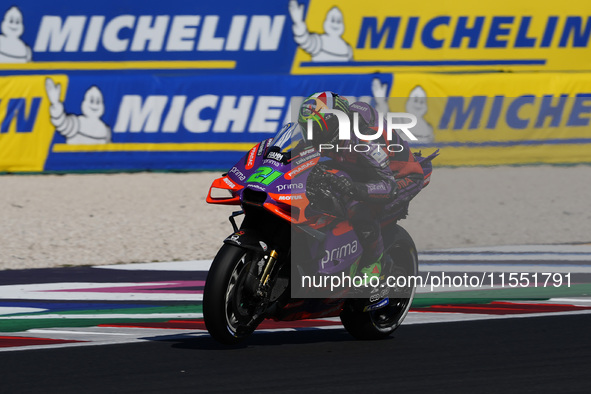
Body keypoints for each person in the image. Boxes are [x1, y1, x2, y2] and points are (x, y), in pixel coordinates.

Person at [298, 91, 424, 286]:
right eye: (307, 129)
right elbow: (297, 156)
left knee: (360, 208)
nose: (312, 135)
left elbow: (387, 186)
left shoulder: (364, 139)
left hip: (399, 177)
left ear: (334, 124)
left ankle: (373, 263)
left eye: (316, 129)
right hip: (363, 170)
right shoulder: (327, 135)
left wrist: (354, 188)